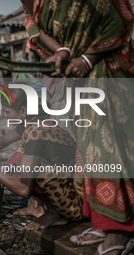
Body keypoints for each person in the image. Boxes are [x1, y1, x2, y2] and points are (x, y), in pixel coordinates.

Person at [20, 0, 134, 253]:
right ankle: (103, 221)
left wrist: (88, 58)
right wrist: (62, 51)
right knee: (90, 149)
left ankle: (119, 229)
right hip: (77, 75)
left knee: (110, 146)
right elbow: (34, 28)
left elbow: (120, 19)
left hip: (107, 65)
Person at [0, 88, 84, 231]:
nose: (4, 115)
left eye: (7, 111)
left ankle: (57, 214)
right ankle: (36, 207)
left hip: (74, 204)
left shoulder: (35, 135)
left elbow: (24, 189)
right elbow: (5, 140)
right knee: (26, 159)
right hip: (71, 190)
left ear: (23, 111)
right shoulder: (33, 122)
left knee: (18, 162)